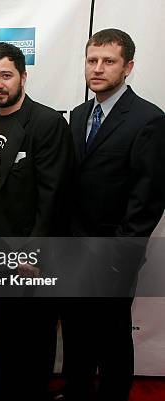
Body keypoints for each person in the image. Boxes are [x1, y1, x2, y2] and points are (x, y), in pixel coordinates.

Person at [61, 28, 165, 401]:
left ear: (128, 67)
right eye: (92, 61)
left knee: (112, 337)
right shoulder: (78, 114)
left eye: (109, 61)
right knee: (75, 332)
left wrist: (120, 256)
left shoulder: (148, 119)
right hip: (72, 249)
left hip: (113, 254)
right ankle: (76, 391)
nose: (98, 69)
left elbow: (148, 199)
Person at [0, 42, 74, 401]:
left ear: (23, 76)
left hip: (31, 252)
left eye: (6, 75)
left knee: (34, 340)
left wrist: (32, 252)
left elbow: (53, 196)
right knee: (0, 338)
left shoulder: (47, 122)